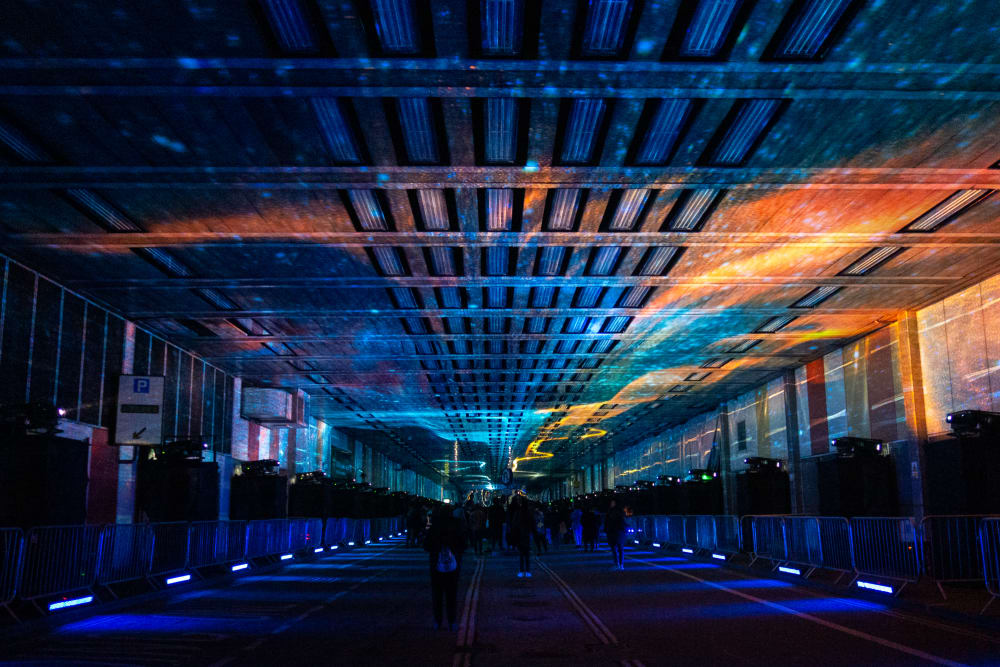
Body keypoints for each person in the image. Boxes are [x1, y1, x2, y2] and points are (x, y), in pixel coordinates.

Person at [424, 505, 466, 630]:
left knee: (437, 594)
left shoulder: (433, 524)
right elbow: (463, 544)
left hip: (436, 563)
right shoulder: (456, 524)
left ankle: (438, 621)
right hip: (453, 564)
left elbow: (426, 545)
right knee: (451, 594)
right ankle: (452, 622)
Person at [509, 495, 535, 577]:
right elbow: (532, 523)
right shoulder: (529, 512)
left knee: (521, 554)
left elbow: (514, 523)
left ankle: (521, 570)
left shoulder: (518, 512)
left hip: (520, 534)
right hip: (526, 534)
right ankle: (527, 570)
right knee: (526, 554)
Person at [604, 499, 627, 570]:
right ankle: (620, 564)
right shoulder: (620, 512)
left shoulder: (609, 512)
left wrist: (606, 529)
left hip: (613, 531)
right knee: (620, 548)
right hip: (618, 531)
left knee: (615, 548)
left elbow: (607, 522)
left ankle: (618, 564)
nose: (611, 504)